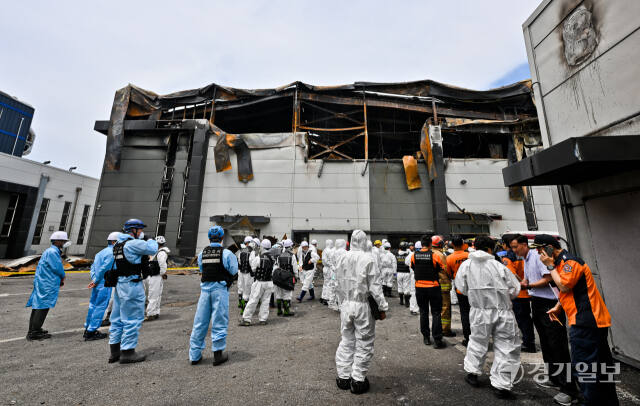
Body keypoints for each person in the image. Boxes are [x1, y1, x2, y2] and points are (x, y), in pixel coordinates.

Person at [535, 234, 618, 405]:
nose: (538, 253)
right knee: (601, 367)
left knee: (585, 368)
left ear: (550, 248)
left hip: (585, 322)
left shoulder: (569, 262)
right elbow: (569, 291)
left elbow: (564, 285)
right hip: (591, 321)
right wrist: (559, 306)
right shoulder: (561, 263)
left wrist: (550, 266)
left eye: (540, 249)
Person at [512, 234, 579, 405]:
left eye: (515, 247)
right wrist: (523, 283)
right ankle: (555, 378)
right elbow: (529, 279)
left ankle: (569, 389)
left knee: (558, 345)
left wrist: (528, 285)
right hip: (537, 301)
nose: (513, 250)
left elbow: (549, 279)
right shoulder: (527, 259)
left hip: (551, 303)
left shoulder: (543, 258)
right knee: (547, 343)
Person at [456, 236, 521, 399]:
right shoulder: (500, 266)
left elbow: (461, 288)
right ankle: (502, 385)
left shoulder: (466, 266)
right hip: (503, 311)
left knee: (477, 341)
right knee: (507, 346)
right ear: (491, 249)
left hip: (479, 311)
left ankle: (472, 374)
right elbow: (514, 289)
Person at [334, 230, 388, 395]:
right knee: (364, 342)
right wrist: (382, 307)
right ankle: (358, 380)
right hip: (362, 305)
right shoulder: (368, 258)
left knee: (346, 340)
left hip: (346, 304)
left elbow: (336, 283)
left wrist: (341, 303)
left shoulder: (341, 257)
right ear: (364, 242)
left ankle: (343, 377)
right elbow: (375, 288)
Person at [104, 220, 158, 364]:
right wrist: (151, 239)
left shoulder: (117, 246)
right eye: (139, 230)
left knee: (116, 318)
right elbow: (152, 249)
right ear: (133, 230)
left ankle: (114, 352)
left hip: (120, 284)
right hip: (131, 285)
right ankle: (127, 352)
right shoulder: (133, 243)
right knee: (132, 318)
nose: (141, 233)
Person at [189, 226, 238, 365]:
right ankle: (218, 355)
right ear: (222, 238)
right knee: (219, 321)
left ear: (209, 238)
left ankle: (194, 355)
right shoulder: (227, 253)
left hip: (204, 291)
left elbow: (202, 269)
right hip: (220, 290)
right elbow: (234, 270)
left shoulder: (202, 253)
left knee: (199, 322)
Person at [26, 231, 70, 341]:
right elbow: (57, 267)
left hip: (44, 282)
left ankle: (34, 329)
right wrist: (63, 276)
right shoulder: (52, 252)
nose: (64, 243)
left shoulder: (51, 251)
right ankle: (34, 332)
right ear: (58, 241)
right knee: (42, 306)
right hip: (47, 283)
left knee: (38, 305)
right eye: (63, 241)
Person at [498, 234, 535, 353]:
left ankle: (529, 343)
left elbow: (511, 275)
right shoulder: (525, 254)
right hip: (530, 290)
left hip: (519, 293)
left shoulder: (508, 257)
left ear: (505, 244)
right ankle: (530, 342)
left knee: (522, 320)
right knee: (527, 319)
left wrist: (521, 284)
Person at [411, 234, 447, 348]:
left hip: (419, 287)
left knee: (423, 312)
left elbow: (413, 267)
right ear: (431, 244)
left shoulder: (414, 255)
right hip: (433, 287)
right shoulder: (434, 256)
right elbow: (441, 268)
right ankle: (437, 339)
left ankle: (426, 337)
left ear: (421, 244)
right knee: (436, 313)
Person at [83, 231, 119, 341]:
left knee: (92, 306)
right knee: (100, 307)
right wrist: (98, 280)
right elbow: (104, 269)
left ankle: (88, 328)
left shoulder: (100, 253)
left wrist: (94, 280)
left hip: (98, 283)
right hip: (104, 283)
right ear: (114, 242)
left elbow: (93, 267)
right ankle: (92, 331)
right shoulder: (112, 253)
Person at [240, 239, 276, 326]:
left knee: (253, 300)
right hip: (269, 282)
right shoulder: (273, 258)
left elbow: (253, 268)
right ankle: (263, 319)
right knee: (265, 301)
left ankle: (246, 319)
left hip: (259, 282)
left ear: (262, 247)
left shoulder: (258, 258)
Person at [446, 236, 471, 346]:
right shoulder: (469, 256)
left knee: (464, 313)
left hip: (460, 288)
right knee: (476, 311)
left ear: (453, 245)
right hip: (473, 287)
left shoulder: (449, 258)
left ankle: (467, 338)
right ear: (462, 244)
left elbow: (449, 274)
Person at [432, 235, 454, 338]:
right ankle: (445, 329)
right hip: (443, 285)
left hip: (433, 285)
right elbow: (446, 270)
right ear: (440, 244)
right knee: (445, 308)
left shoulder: (430, 253)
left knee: (436, 309)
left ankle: (437, 328)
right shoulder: (440, 255)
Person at [144, 235, 169, 321]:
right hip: (154, 276)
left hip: (156, 276)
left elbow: (162, 265)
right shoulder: (157, 252)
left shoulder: (161, 252)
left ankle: (151, 313)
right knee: (155, 295)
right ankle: (155, 312)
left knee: (153, 295)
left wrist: (162, 273)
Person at [273, 239, 298, 317]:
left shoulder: (279, 255)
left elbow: (276, 266)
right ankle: (286, 311)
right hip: (288, 278)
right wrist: (296, 276)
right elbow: (294, 268)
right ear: (290, 246)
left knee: (279, 294)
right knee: (287, 294)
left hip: (280, 277)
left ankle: (279, 310)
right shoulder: (292, 256)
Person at [236, 236, 254, 313]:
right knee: (248, 291)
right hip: (249, 274)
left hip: (241, 272)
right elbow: (252, 264)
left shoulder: (241, 251)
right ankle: (245, 309)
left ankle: (242, 306)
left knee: (241, 289)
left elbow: (239, 262)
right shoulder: (252, 252)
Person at [328, 239, 347, 311]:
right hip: (343, 275)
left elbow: (331, 263)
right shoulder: (346, 253)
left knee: (335, 288)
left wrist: (334, 269)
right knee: (343, 290)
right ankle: (342, 306)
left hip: (335, 274)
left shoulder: (334, 252)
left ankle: (335, 304)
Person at [405, 241, 421, 315]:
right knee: (417, 293)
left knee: (413, 292)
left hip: (412, 275)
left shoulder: (411, 255)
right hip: (418, 276)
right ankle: (415, 309)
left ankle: (413, 308)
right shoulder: (422, 255)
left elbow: (406, 263)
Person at [396, 242, 412, 306]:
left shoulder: (396, 254)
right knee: (406, 287)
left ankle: (401, 301)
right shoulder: (408, 255)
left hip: (399, 273)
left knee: (400, 286)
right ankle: (407, 303)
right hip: (406, 273)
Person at [320, 240, 335, 305]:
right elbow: (329, 261)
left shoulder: (324, 250)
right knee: (329, 283)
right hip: (329, 269)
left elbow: (324, 260)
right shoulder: (329, 251)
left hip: (325, 268)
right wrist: (331, 265)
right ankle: (327, 298)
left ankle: (323, 297)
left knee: (325, 283)